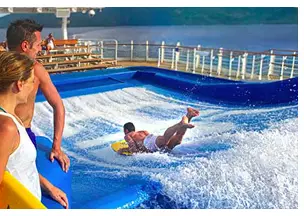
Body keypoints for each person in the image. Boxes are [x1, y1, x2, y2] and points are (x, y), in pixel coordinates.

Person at [0, 52, 68, 208]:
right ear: (19, 84)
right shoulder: (7, 128)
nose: (34, 88)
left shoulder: (12, 117)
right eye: (32, 82)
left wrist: (48, 187)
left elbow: (19, 165)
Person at [6, 19, 70, 172]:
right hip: (9, 134)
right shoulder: (29, 70)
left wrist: (56, 146)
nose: (40, 49)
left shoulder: (37, 70)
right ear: (25, 46)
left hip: (23, 134)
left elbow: (58, 105)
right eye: (38, 45)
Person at [122, 107, 200, 154]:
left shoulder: (127, 135)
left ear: (126, 130)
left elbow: (134, 148)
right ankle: (188, 116)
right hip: (150, 139)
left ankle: (180, 124)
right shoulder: (142, 132)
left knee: (164, 139)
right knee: (177, 139)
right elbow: (149, 139)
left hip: (148, 142)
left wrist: (123, 151)